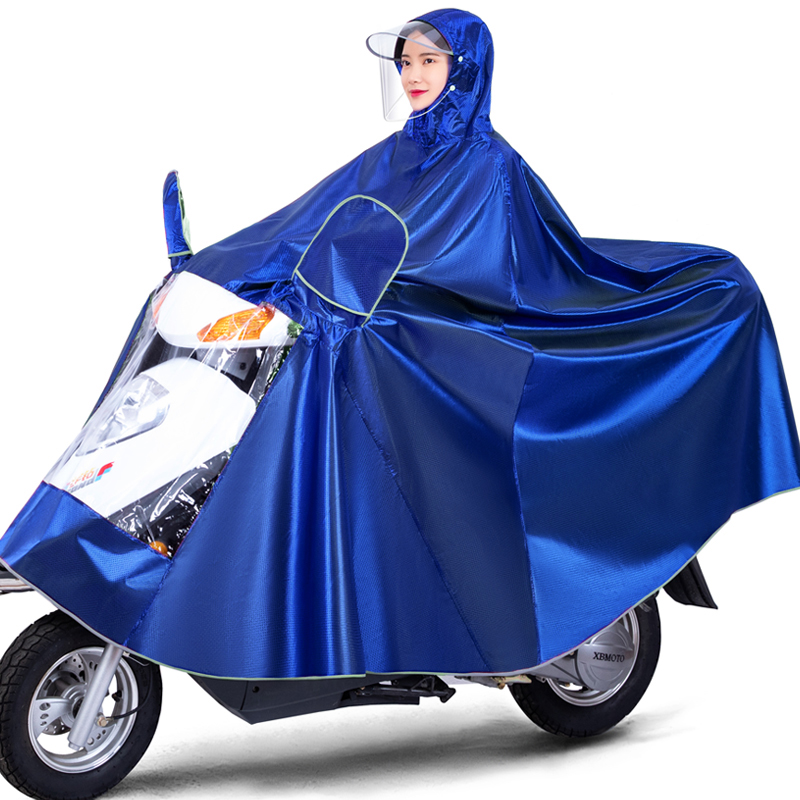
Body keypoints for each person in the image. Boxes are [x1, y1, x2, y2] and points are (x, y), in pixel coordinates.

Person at [2, 9, 798, 680]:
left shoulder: (491, 167)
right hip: (366, 323)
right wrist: (213, 271)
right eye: (406, 61)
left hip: (458, 340)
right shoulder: (393, 154)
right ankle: (102, 522)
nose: (414, 74)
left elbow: (488, 273)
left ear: (464, 68)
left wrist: (343, 297)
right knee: (255, 366)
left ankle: (394, 609)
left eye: (429, 60)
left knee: (343, 376)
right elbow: (302, 226)